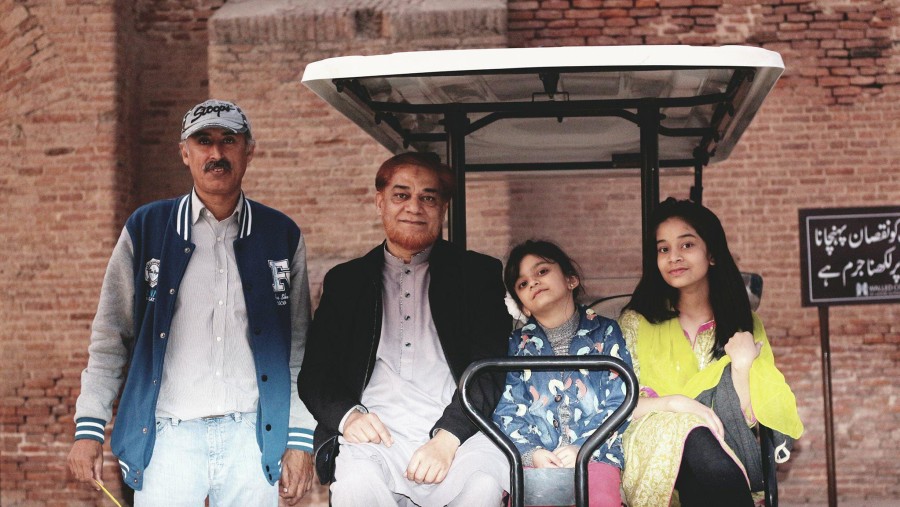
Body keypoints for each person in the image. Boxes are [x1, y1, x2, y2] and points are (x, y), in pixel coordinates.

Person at [66, 99, 317, 506]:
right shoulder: (147, 228)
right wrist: (89, 427)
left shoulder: (281, 235)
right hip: (167, 436)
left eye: (228, 140)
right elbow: (111, 336)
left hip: (253, 436)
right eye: (203, 141)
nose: (216, 153)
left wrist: (299, 437)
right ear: (185, 153)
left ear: (248, 151)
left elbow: (299, 348)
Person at [298, 152, 511, 507]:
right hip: (377, 435)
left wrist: (448, 437)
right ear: (380, 202)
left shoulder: (476, 275)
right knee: (355, 487)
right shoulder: (346, 281)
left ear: (442, 208)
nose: (414, 207)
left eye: (428, 197)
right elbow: (316, 374)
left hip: (460, 432)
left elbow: (489, 369)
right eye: (401, 195)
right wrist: (349, 416)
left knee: (484, 487)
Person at [617, 198, 804, 507]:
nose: (673, 257)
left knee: (708, 446)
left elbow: (749, 419)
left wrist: (742, 366)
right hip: (652, 448)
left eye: (686, 245)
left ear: (712, 254)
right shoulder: (635, 323)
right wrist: (678, 405)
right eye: (663, 249)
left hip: (724, 445)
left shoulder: (743, 326)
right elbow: (618, 406)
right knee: (691, 430)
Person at [493, 240, 632, 507]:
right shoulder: (515, 345)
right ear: (523, 307)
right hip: (538, 462)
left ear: (571, 280)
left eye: (542, 271)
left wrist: (584, 447)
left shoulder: (605, 332)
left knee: (600, 500)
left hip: (597, 455)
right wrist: (532, 454)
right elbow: (507, 408)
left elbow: (620, 399)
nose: (532, 282)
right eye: (522, 284)